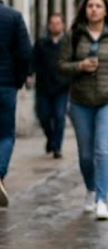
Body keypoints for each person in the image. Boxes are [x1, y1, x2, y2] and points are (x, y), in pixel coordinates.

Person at [58, 0, 108, 220]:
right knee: (85, 155)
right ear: (85, 10)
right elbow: (61, 65)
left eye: (98, 6)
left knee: (103, 149)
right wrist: (79, 65)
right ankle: (91, 188)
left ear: (106, 11)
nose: (94, 10)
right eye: (90, 6)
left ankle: (102, 199)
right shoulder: (74, 36)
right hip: (80, 101)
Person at [0, 0, 33, 208]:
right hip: (5, 85)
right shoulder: (13, 17)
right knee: (5, 135)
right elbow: (25, 54)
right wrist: (19, 80)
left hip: (8, 83)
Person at [32, 13, 70, 159]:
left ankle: (57, 147)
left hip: (62, 87)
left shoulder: (67, 44)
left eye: (58, 23)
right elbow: (33, 61)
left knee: (59, 116)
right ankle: (50, 138)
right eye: (52, 23)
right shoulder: (41, 43)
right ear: (49, 25)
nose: (55, 26)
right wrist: (30, 75)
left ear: (63, 25)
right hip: (43, 87)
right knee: (44, 116)